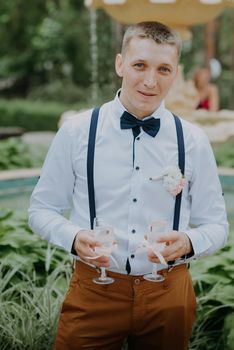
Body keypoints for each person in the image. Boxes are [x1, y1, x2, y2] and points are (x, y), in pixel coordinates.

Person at [28, 21, 228, 350]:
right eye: (139, 65)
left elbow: (217, 225)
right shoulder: (77, 131)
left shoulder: (192, 140)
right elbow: (41, 209)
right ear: (120, 64)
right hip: (94, 291)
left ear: (175, 73)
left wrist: (189, 242)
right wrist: (74, 237)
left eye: (164, 69)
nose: (151, 81)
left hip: (168, 294)